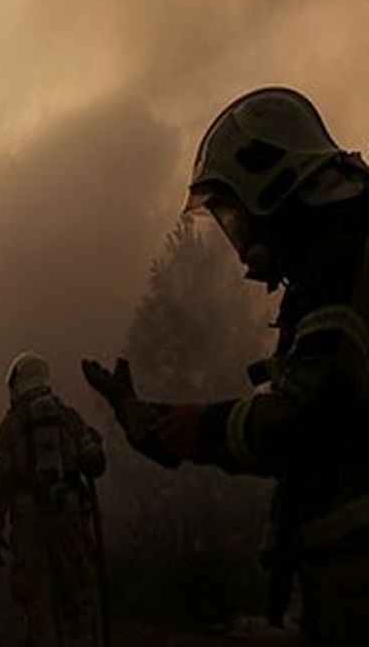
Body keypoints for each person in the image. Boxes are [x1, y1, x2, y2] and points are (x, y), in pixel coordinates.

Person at [82, 87, 369, 645]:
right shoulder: (337, 256)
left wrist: (200, 427)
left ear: (274, 182)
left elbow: (306, 420)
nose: (240, 240)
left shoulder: (341, 264)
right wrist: (152, 422)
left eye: (235, 214)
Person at [0, 351, 107, 647]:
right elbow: (96, 464)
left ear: (16, 385)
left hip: (28, 526)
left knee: (36, 603)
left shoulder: (10, 425)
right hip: (69, 519)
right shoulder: (69, 418)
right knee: (76, 596)